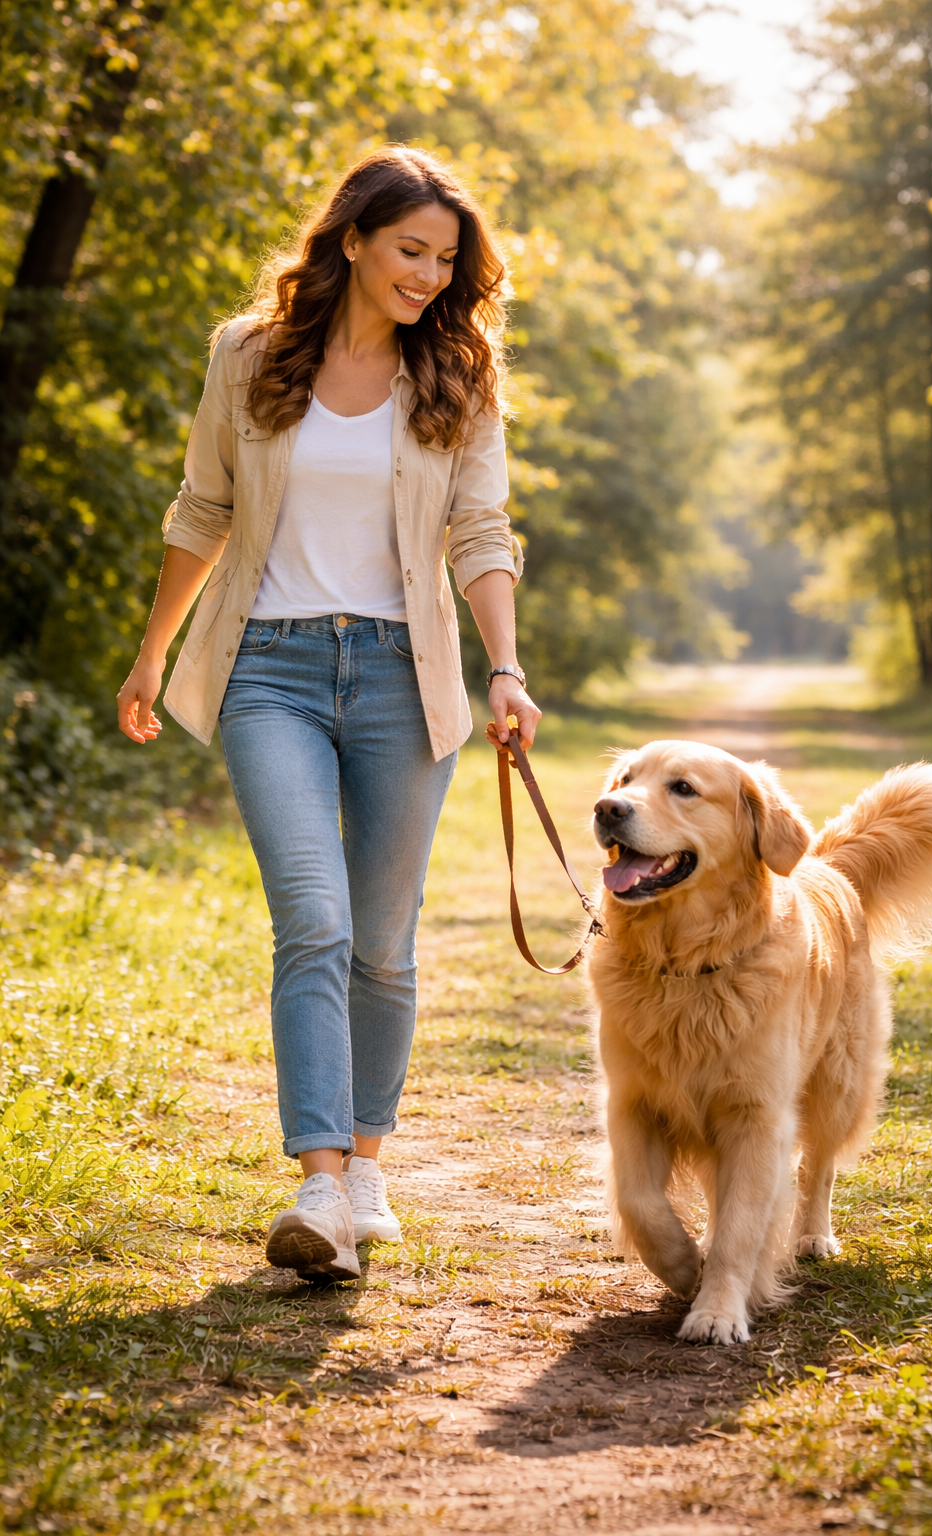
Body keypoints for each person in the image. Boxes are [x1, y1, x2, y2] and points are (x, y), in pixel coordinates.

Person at [116, 146, 541, 1280]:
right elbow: (202, 506)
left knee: (384, 946)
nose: (427, 275)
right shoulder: (247, 356)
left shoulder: (459, 375)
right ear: (351, 239)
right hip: (269, 671)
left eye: (445, 259)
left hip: (406, 677)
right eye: (410, 249)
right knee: (314, 919)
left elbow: (481, 532)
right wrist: (153, 653)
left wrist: (504, 667)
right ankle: (316, 1188)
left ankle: (364, 1167)